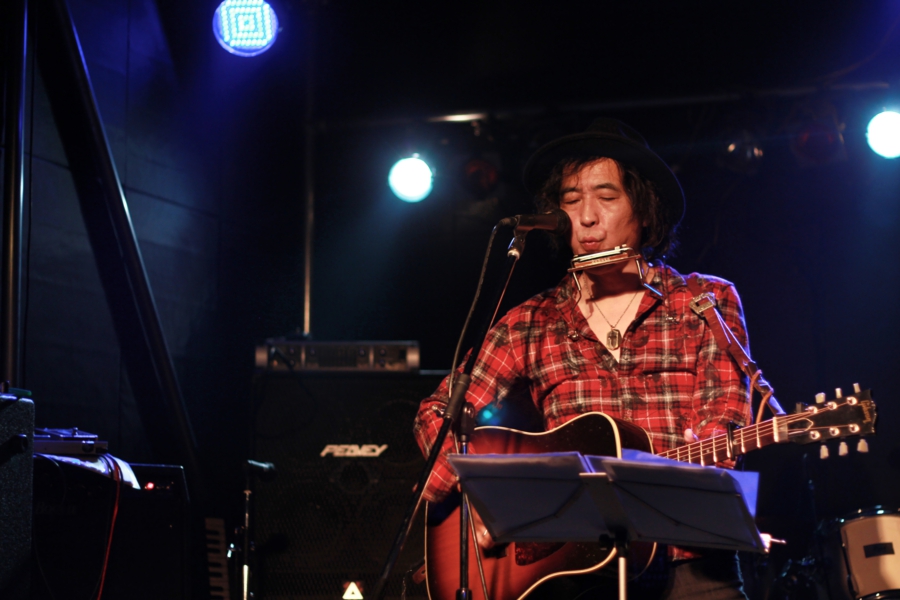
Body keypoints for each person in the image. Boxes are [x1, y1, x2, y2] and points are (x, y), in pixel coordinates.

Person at [413, 118, 752, 599]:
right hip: (577, 572)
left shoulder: (705, 302)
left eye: (606, 197)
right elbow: (438, 413)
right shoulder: (531, 322)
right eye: (571, 201)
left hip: (689, 561)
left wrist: (689, 464)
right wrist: (490, 499)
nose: (587, 217)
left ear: (646, 212)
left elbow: (723, 422)